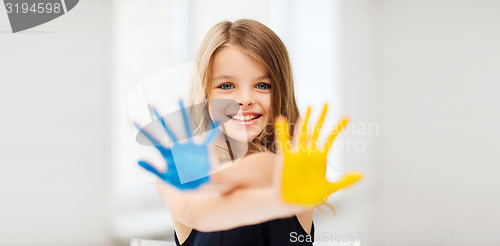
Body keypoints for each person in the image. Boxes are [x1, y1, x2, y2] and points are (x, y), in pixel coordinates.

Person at [146, 19, 360, 246]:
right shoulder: (180, 172)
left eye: (262, 85)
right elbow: (194, 210)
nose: (245, 99)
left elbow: (266, 170)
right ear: (205, 93)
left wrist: (215, 178)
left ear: (280, 91)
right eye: (227, 86)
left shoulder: (292, 169)